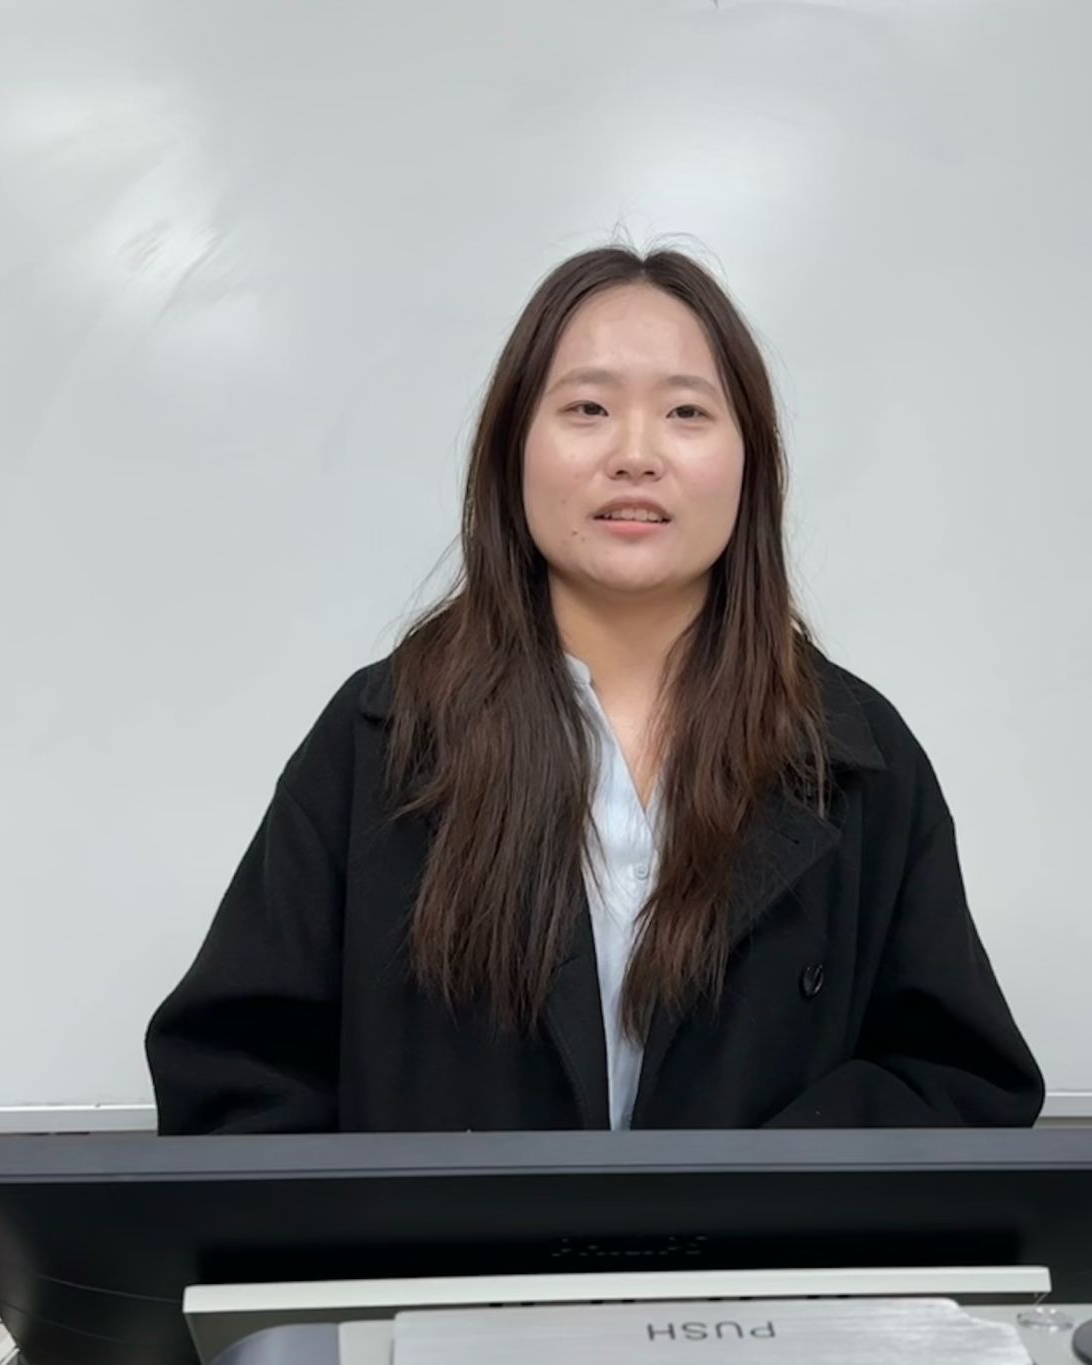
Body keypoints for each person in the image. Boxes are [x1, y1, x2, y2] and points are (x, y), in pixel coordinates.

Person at [146, 246, 1042, 1134]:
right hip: (443, 1243)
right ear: (513, 449)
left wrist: (761, 1192)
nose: (635, 454)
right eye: (588, 408)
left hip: (769, 1241)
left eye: (686, 411)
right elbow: (235, 1078)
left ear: (749, 462)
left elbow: (957, 1082)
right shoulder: (383, 738)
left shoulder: (851, 754)